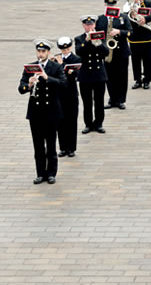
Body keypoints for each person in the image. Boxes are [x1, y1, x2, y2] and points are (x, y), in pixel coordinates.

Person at [18, 40, 67, 185]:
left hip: (51, 111)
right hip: (36, 112)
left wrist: (47, 78)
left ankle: (51, 173)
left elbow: (64, 84)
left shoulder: (55, 67)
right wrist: (29, 84)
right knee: (38, 145)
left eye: (43, 51)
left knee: (51, 144)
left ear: (48, 52)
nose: (40, 54)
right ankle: (40, 173)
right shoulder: (30, 68)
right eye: (39, 51)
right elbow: (21, 88)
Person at [74, 15, 108, 134]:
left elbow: (106, 52)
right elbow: (79, 52)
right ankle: (88, 124)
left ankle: (99, 123)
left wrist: (98, 43)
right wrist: (87, 41)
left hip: (99, 74)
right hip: (85, 74)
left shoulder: (100, 36)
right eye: (87, 25)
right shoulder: (79, 39)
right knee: (87, 101)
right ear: (83, 26)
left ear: (95, 25)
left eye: (91, 24)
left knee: (99, 101)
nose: (89, 27)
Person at [97, 0, 132, 110]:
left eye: (112, 5)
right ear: (105, 5)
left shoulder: (123, 17)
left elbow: (130, 32)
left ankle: (121, 100)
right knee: (109, 77)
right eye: (108, 5)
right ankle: (112, 99)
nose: (110, 7)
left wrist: (119, 32)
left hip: (121, 51)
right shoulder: (100, 19)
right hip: (107, 52)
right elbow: (97, 34)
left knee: (122, 76)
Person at [53, 37, 81, 158]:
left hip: (71, 94)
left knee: (71, 122)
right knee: (60, 122)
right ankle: (63, 147)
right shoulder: (56, 59)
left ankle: (71, 148)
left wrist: (61, 65)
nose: (65, 51)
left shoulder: (76, 59)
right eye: (62, 49)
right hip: (59, 95)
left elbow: (75, 75)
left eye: (67, 49)